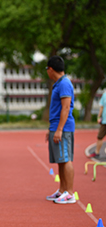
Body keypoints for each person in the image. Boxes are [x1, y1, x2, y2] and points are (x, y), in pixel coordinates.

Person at [45, 55, 76, 204]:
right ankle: (62, 190)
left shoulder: (64, 83)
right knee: (60, 160)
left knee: (66, 159)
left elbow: (66, 107)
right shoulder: (58, 83)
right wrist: (52, 129)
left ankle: (70, 193)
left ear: (50, 69)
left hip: (63, 128)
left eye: (47, 70)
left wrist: (59, 129)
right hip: (56, 126)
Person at [88, 91, 106, 158]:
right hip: (104, 121)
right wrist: (99, 117)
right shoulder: (104, 95)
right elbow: (101, 107)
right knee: (100, 137)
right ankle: (97, 152)